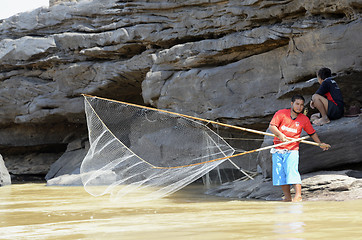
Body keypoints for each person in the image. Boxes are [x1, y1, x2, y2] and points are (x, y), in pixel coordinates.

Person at [269, 94, 330, 202]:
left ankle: (298, 196)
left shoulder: (304, 119)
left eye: (301, 105)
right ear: (292, 104)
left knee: (292, 172)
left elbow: (312, 133)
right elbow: (272, 126)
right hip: (277, 149)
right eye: (297, 104)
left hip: (292, 150)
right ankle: (287, 198)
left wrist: (319, 144)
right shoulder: (281, 113)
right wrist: (280, 135)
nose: (299, 107)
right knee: (280, 174)